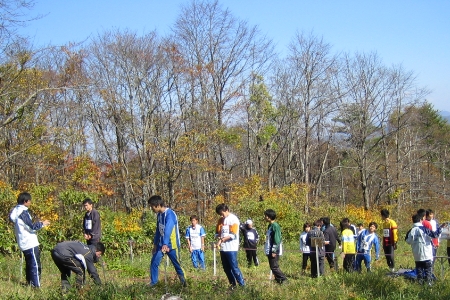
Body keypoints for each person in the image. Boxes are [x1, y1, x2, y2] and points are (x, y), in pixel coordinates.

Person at [9, 192, 50, 288]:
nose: (30, 202)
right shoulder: (22, 213)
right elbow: (31, 227)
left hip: (23, 242)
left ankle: (29, 283)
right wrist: (42, 224)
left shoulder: (16, 211)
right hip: (30, 243)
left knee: (29, 264)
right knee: (35, 265)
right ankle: (36, 286)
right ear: (25, 202)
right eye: (29, 201)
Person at [148, 195, 186, 287]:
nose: (151, 208)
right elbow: (158, 230)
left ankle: (184, 283)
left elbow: (168, 229)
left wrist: (165, 243)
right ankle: (154, 283)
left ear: (157, 205)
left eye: (152, 206)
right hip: (161, 244)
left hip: (172, 245)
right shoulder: (159, 215)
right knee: (154, 263)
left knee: (177, 265)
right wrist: (155, 244)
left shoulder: (170, 214)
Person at [405, 214, 444, 286]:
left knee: (419, 272)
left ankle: (420, 286)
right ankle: (428, 287)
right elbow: (435, 235)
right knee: (428, 272)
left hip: (417, 256)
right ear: (420, 220)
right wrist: (440, 228)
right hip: (427, 255)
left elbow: (407, 241)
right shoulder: (424, 229)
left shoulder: (411, 231)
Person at [215, 203, 245, 289]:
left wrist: (221, 240)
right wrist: (218, 237)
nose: (221, 216)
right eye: (220, 214)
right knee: (226, 268)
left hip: (231, 247)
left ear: (226, 210)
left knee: (234, 267)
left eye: (222, 213)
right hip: (223, 248)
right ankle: (233, 285)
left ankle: (242, 285)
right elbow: (217, 232)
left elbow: (233, 234)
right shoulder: (220, 220)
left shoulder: (233, 219)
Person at [264, 209, 288, 284]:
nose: (264, 217)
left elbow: (277, 239)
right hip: (269, 248)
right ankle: (278, 281)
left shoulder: (275, 226)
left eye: (266, 216)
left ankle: (284, 280)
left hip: (274, 249)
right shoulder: (270, 226)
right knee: (272, 266)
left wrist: (274, 250)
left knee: (274, 266)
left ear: (269, 217)